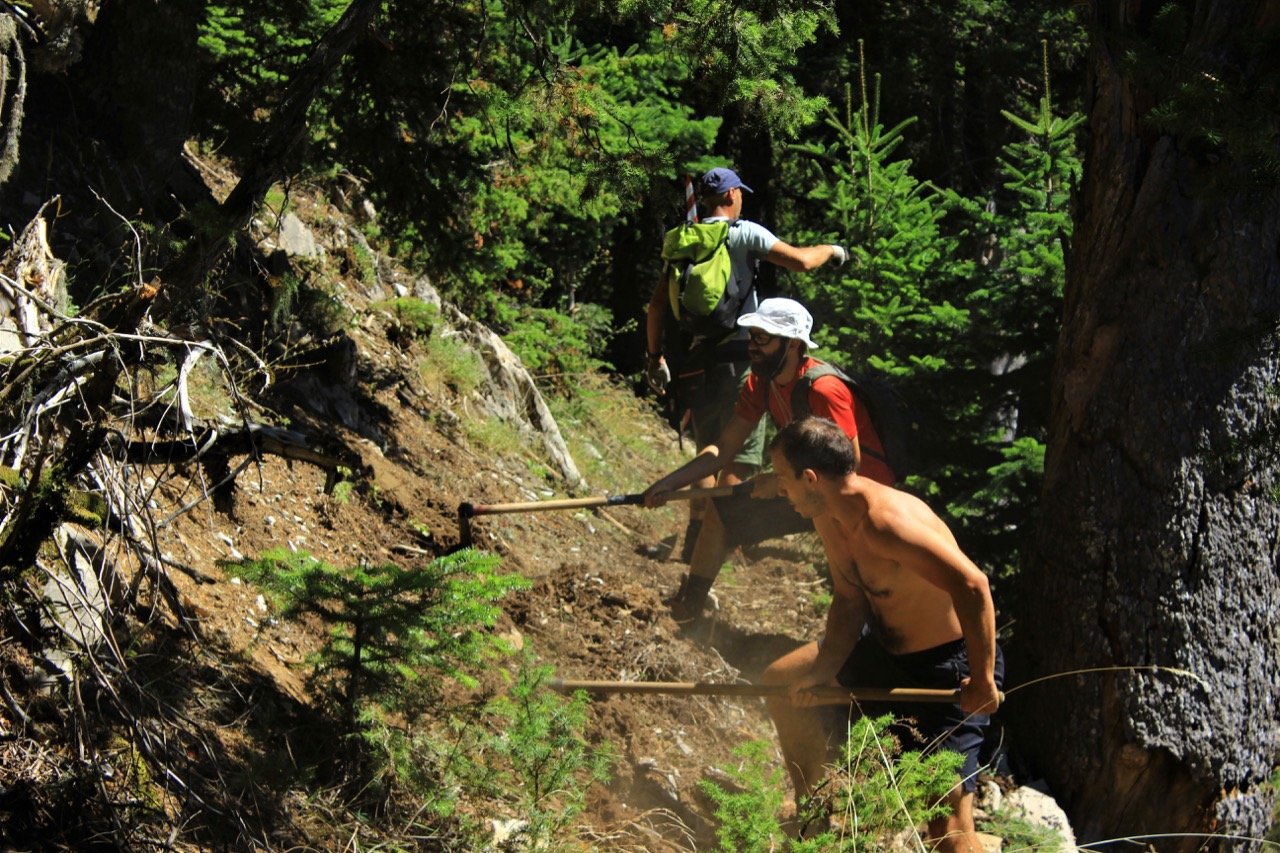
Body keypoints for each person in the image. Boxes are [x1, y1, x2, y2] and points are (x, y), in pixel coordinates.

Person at [762, 416, 1003, 852]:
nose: (780, 490)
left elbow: (974, 586)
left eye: (783, 478)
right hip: (883, 652)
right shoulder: (829, 517)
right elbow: (850, 600)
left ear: (811, 478)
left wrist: (983, 679)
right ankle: (814, 819)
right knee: (782, 681)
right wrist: (825, 671)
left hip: (948, 668)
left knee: (946, 826)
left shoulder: (885, 523)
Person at [642, 297, 894, 620]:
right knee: (721, 512)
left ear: (791, 345)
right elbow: (724, 447)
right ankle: (690, 609)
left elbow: (849, 468)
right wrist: (670, 483)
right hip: (805, 490)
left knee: (857, 579)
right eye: (751, 337)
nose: (752, 347)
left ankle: (864, 639)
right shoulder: (761, 383)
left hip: (854, 497)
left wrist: (778, 481)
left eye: (763, 338)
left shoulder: (825, 390)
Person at [645, 167, 848, 563]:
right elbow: (803, 262)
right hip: (743, 357)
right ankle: (720, 539)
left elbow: (655, 306)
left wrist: (655, 358)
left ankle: (695, 536)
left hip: (698, 360)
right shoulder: (743, 233)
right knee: (736, 455)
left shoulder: (683, 241)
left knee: (709, 447)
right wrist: (833, 251)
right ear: (733, 195)